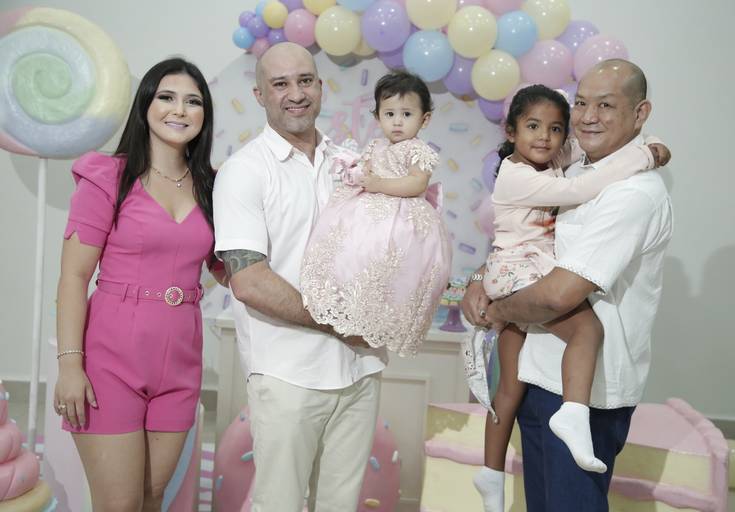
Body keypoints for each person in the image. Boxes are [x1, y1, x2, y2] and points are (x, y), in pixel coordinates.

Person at [463, 59, 674, 511]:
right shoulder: (571, 170)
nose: (588, 116)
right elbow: (525, 241)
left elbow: (558, 294)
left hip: (589, 394)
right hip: (539, 374)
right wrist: (480, 278)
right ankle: (490, 475)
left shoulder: (632, 193)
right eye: (581, 103)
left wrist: (498, 310)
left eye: (606, 105)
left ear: (640, 113)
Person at [212, 42, 387, 512]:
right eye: (280, 84)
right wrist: (341, 323)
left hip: (359, 368)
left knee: (340, 506)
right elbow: (249, 281)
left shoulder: (352, 165)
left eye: (305, 80)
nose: (296, 93)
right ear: (259, 95)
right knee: (280, 504)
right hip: (287, 374)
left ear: (321, 87)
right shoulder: (243, 172)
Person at [54, 58, 224, 511]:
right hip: (109, 361)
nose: (179, 110)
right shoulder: (107, 178)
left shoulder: (214, 188)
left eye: (193, 101)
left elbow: (231, 268)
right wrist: (70, 366)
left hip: (181, 362)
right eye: (166, 97)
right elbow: (73, 277)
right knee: (120, 504)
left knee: (151, 500)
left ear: (204, 114)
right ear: (145, 104)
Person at [300, 70, 452, 357]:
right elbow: (366, 171)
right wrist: (356, 173)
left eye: (406, 114)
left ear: (424, 119)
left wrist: (378, 184)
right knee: (352, 251)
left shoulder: (417, 150)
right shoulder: (376, 146)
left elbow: (417, 183)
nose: (397, 121)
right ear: (378, 117)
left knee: (393, 264)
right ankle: (346, 299)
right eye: (389, 114)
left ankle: (380, 312)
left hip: (402, 216)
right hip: (368, 212)